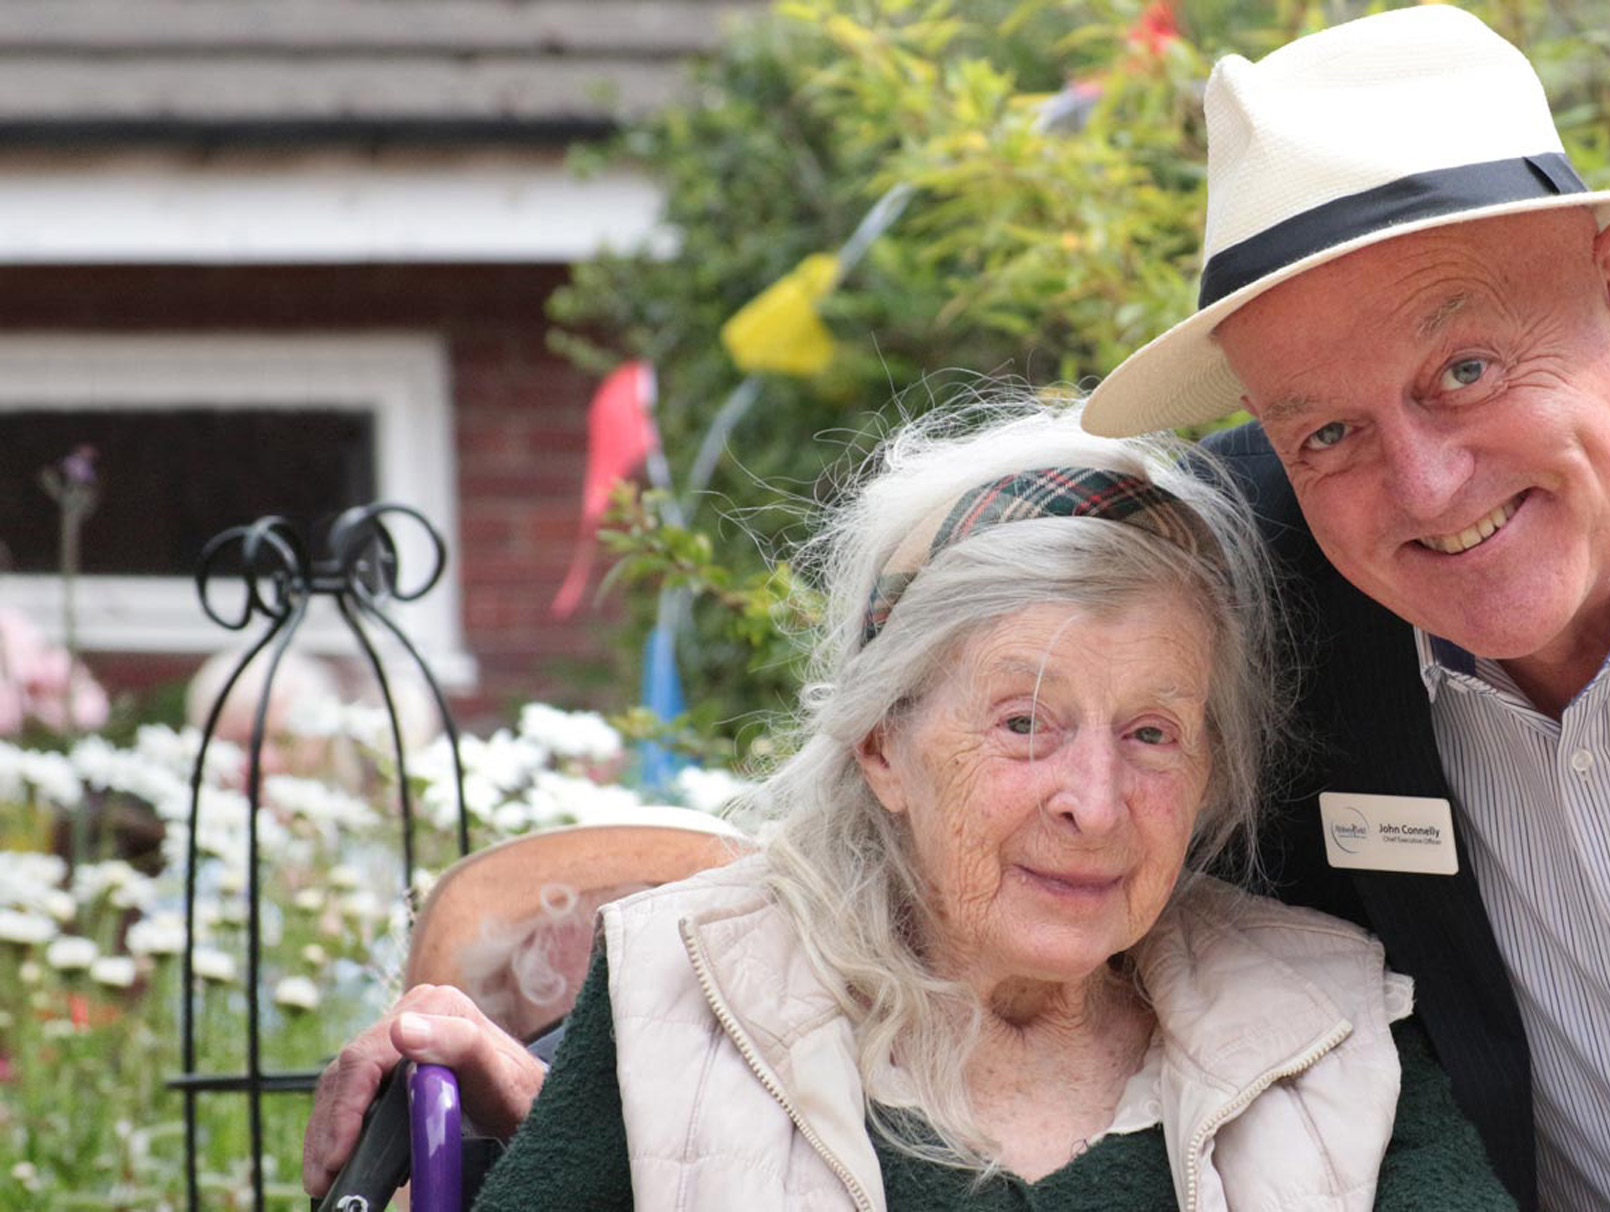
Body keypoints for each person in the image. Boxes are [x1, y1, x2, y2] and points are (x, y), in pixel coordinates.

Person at [1080, 6, 1610, 1210]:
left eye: (1464, 371)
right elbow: (973, 647)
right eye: (1328, 431)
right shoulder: (1254, 596)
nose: (1424, 488)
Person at [305, 404, 1512, 1209]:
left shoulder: (1328, 1028)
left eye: (1152, 734)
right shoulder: (688, 986)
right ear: (884, 744)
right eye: (1024, 724)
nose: (1095, 803)